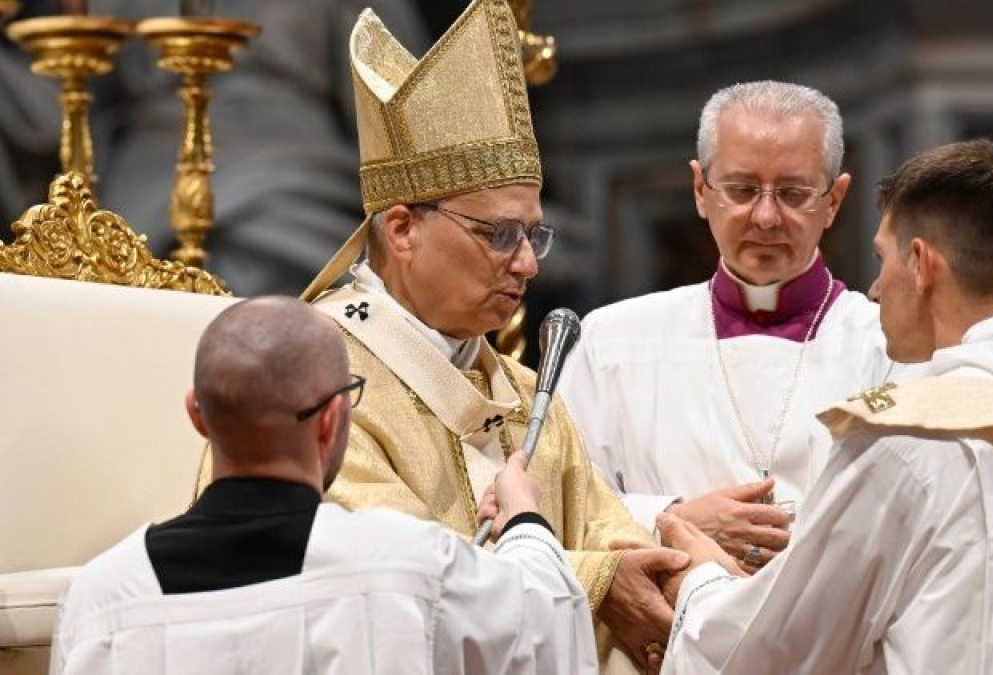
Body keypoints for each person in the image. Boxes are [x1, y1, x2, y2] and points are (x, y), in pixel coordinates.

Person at [657, 139, 993, 673]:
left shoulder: (909, 441)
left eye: (882, 258)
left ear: (920, 263)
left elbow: (769, 653)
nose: (872, 290)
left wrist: (701, 580)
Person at [276, 1, 681, 670]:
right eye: (499, 235)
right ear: (402, 229)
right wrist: (597, 581)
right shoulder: (311, 377)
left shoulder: (523, 389)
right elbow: (391, 573)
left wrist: (675, 556)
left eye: (533, 234)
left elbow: (607, 530)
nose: (527, 263)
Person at [51, 296, 597, 674]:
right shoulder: (403, 563)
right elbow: (545, 627)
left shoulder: (100, 595)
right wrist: (524, 519)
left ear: (197, 415)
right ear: (334, 419)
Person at [558, 81, 893, 570]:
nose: (765, 216)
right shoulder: (613, 342)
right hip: (668, 637)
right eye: (741, 190)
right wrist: (670, 520)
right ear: (700, 190)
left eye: (794, 194)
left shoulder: (890, 346)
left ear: (835, 200)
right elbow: (561, 503)